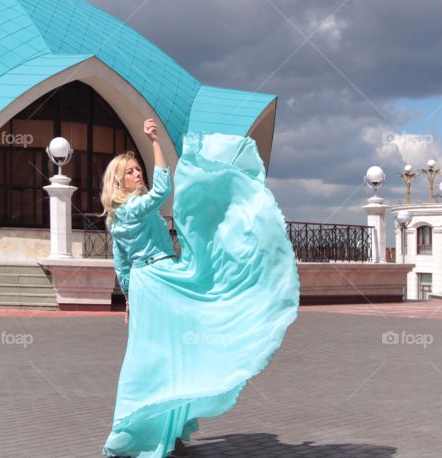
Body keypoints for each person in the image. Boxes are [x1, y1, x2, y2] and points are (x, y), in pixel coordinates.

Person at [100, 118, 300, 458]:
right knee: (174, 355)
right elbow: (163, 189)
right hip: (162, 278)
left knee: (158, 357)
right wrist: (155, 142)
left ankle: (161, 430)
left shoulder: (115, 217)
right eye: (132, 172)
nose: (139, 175)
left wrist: (130, 301)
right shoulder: (135, 206)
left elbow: (122, 265)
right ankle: (159, 429)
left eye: (138, 169)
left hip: (145, 287)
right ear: (119, 180)